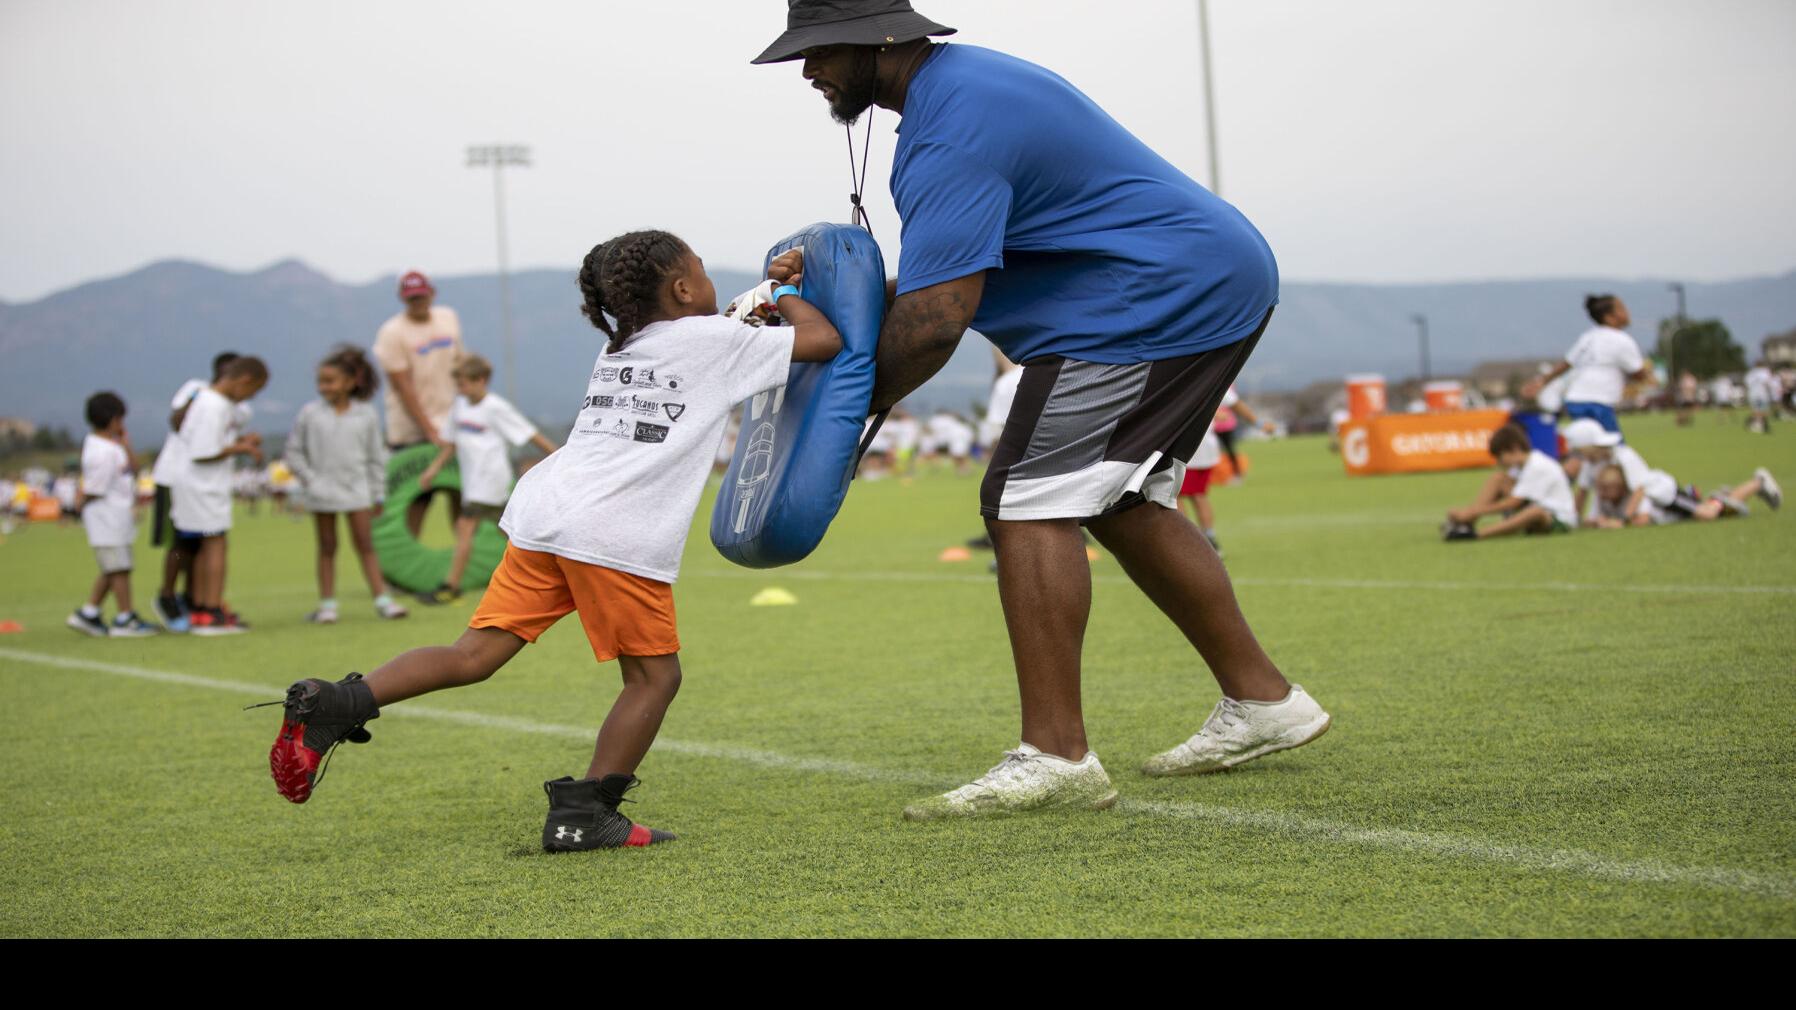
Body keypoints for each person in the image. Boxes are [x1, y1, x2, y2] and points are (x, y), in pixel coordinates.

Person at [754, 1, 1329, 819]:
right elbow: (931, 290)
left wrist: (841, 423)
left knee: (1023, 501)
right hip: (1195, 280)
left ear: (880, 40)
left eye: (818, 53)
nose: (808, 72)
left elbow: (938, 319)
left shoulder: (951, 129)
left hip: (1150, 299)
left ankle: (1057, 754)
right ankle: (1265, 700)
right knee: (1120, 500)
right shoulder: (958, 93)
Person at [264, 230, 843, 850]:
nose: (709, 281)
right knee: (654, 680)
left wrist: (759, 301)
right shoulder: (713, 342)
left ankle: (339, 702)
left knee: (472, 656)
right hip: (613, 530)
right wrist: (783, 290)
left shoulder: (625, 346)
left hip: (546, 512)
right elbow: (824, 340)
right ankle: (587, 814)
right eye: (701, 271)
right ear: (680, 288)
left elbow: (720, 330)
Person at [416, 354, 559, 604]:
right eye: (458, 384)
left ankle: (451, 585)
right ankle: (549, 574)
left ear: (481, 380)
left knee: (466, 529)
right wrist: (433, 469)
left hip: (491, 483)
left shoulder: (495, 407)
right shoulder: (459, 407)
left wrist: (559, 457)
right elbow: (451, 443)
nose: (460, 389)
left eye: (464, 384)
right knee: (512, 534)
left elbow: (528, 434)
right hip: (474, 485)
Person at [286, 345, 409, 624]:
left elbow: (375, 457)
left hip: (358, 491)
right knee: (327, 546)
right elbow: (293, 452)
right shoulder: (310, 413)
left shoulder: (365, 414)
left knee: (365, 544)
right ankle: (328, 605)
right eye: (320, 381)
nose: (324, 387)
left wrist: (378, 494)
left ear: (350, 382)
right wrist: (311, 480)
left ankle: (383, 600)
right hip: (322, 493)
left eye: (330, 381)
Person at [173, 356, 267, 635]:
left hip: (195, 483)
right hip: (204, 485)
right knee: (216, 543)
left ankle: (202, 609)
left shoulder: (207, 401)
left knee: (205, 544)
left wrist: (237, 443)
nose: (249, 398)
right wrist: (242, 449)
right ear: (244, 381)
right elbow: (204, 451)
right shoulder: (214, 405)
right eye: (253, 391)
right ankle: (212, 610)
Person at [149, 351, 242, 631]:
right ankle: (167, 595)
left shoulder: (236, 406)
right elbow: (176, 422)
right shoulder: (196, 390)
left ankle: (195, 601)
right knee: (180, 542)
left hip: (206, 482)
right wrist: (199, 400)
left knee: (202, 543)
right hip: (174, 474)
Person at [373, 270, 465, 538]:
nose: (418, 303)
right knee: (416, 497)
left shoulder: (448, 318)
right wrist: (429, 429)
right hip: (411, 429)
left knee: (458, 491)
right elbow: (403, 387)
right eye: (412, 299)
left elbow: (460, 365)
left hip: (451, 419)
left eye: (422, 297)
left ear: (431, 294)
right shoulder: (392, 332)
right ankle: (408, 568)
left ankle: (461, 565)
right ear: (403, 299)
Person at [67, 392, 158, 637]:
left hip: (115, 516)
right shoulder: (101, 452)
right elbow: (95, 488)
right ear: (112, 419)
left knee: (114, 567)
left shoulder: (111, 446)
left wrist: (126, 444)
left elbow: (134, 469)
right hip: (106, 517)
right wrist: (79, 504)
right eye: (120, 419)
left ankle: (89, 612)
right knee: (118, 568)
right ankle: (125, 617)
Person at [1522, 294, 1654, 434]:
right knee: (1610, 446)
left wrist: (1541, 381)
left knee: (1588, 444)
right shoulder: (1622, 340)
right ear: (1609, 317)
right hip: (1598, 401)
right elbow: (1638, 373)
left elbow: (1567, 363)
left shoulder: (1588, 337)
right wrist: (1647, 374)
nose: (1627, 312)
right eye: (1622, 308)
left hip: (1575, 400)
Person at [1441, 424, 1577, 540]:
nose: (1499, 463)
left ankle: (1475, 534)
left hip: (1557, 518)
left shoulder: (1538, 465)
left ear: (1514, 449)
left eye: (1500, 457)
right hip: (1533, 508)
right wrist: (1472, 512)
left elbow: (1514, 502)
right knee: (1498, 478)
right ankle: (1467, 522)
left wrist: (1475, 511)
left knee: (1535, 512)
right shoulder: (1520, 466)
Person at [1587, 462, 1779, 527]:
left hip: (1674, 507)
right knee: (1710, 511)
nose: (1602, 493)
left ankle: (1757, 483)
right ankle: (1722, 497)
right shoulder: (1608, 500)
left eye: (1607, 489)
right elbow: (1590, 519)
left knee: (1710, 513)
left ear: (1620, 487)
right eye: (1601, 488)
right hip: (1676, 504)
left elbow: (1643, 519)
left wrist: (1616, 524)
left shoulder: (1636, 496)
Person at [1176, 422, 1225, 554]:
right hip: (1206, 448)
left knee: (1175, 495)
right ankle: (1209, 538)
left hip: (1187, 448)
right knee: (1199, 495)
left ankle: (1185, 539)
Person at [1745, 359, 1780, 434]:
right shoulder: (1765, 372)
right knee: (1764, 410)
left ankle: (1756, 425)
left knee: (1756, 410)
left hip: (1752, 393)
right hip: (1762, 393)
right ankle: (1758, 425)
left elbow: (1747, 383)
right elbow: (1768, 383)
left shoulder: (1751, 373)